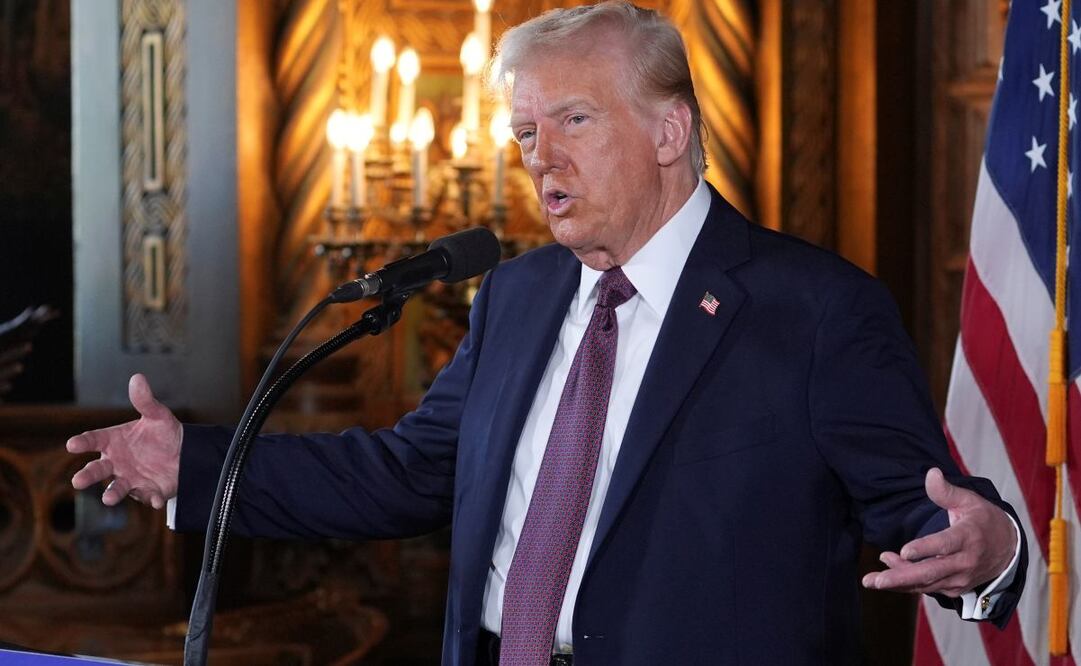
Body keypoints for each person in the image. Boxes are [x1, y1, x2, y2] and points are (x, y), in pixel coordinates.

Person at [67, 3, 1025, 664]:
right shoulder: (517, 294)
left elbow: (921, 510)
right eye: (526, 133)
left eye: (573, 120)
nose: (541, 158)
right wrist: (196, 468)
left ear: (669, 132)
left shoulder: (814, 308)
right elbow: (407, 473)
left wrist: (987, 550)